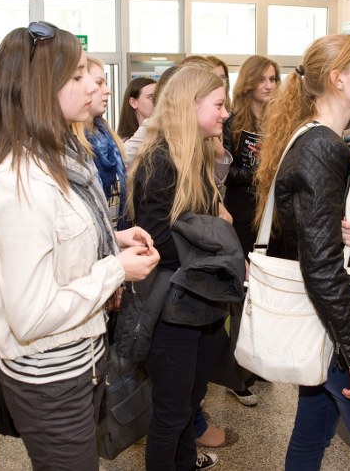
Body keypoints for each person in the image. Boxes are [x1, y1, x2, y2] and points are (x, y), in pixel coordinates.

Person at [0, 22, 159, 469]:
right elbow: (32, 315)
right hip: (51, 378)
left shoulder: (61, 159)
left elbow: (59, 243)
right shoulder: (23, 185)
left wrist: (110, 238)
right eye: (76, 76)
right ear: (39, 89)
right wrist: (116, 269)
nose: (92, 85)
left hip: (81, 360)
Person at [254, 33, 350, 470]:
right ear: (338, 79)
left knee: (312, 435)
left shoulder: (319, 139)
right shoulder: (322, 147)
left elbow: (323, 238)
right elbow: (320, 268)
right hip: (339, 327)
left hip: (328, 322)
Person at [128, 66, 244, 471]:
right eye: (218, 104)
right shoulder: (161, 160)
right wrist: (217, 247)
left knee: (189, 401)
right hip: (173, 307)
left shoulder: (193, 155)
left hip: (197, 301)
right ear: (190, 105)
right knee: (171, 413)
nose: (226, 113)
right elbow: (156, 241)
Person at [221, 54, 280, 407]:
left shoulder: (279, 119)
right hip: (242, 213)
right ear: (248, 82)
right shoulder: (231, 122)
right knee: (242, 293)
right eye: (263, 79)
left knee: (266, 290)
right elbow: (225, 173)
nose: (269, 85)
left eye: (273, 79)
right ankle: (235, 373)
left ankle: (257, 361)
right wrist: (260, 173)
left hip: (272, 215)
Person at [81, 56, 129, 230]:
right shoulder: (72, 144)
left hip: (117, 234)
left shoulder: (107, 137)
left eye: (105, 84)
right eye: (99, 83)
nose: (107, 91)